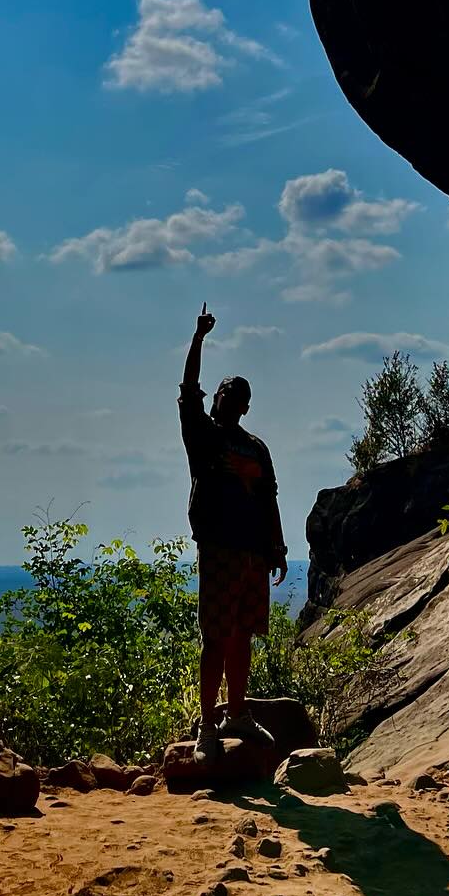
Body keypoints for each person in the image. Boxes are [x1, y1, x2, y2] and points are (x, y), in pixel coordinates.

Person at [179, 301, 287, 760]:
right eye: (222, 392)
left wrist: (276, 548)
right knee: (215, 637)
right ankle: (207, 727)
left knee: (243, 635)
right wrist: (198, 339)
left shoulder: (256, 448)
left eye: (234, 395)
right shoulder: (203, 436)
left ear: (245, 406)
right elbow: (188, 389)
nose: (226, 398)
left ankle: (237, 714)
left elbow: (269, 499)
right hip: (220, 550)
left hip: (253, 554)